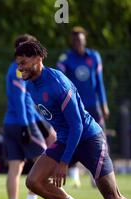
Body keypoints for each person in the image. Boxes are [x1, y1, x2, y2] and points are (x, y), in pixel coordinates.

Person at [15, 40, 131, 199]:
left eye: (23, 63)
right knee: (34, 181)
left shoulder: (57, 83)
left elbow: (78, 125)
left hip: (89, 139)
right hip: (66, 138)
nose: (20, 69)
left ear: (38, 59)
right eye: (18, 64)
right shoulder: (30, 85)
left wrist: (64, 162)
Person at [56, 26, 109, 188]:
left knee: (100, 138)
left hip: (93, 105)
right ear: (72, 41)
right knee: (73, 138)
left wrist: (104, 103)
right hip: (76, 107)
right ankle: (75, 176)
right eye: (75, 39)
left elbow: (99, 82)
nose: (78, 42)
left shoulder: (94, 57)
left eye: (80, 39)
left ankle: (99, 174)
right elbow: (60, 81)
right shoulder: (66, 59)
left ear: (85, 39)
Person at [4, 34, 48, 199]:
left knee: (16, 165)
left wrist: (44, 123)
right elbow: (20, 99)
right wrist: (26, 127)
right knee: (46, 160)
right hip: (23, 122)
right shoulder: (18, 70)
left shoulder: (16, 68)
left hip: (12, 122)